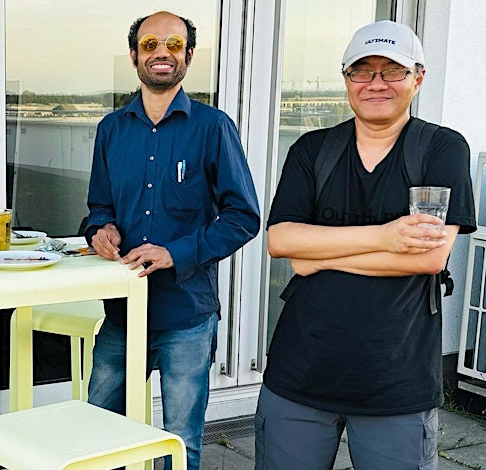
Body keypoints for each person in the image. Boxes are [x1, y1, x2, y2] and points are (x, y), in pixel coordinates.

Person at [257, 20, 476, 469]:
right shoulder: (312, 149)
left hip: (396, 380)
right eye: (362, 71)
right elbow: (280, 240)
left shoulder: (441, 149)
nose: (376, 83)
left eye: (392, 70)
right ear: (346, 79)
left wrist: (316, 257)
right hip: (300, 371)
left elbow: (430, 257)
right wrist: (387, 236)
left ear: (418, 78)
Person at [85, 11, 260, 470]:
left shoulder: (213, 127)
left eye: (174, 44)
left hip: (187, 315)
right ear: (133, 55)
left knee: (181, 443)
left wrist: (174, 253)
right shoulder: (110, 129)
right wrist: (101, 229)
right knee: (95, 433)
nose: (161, 52)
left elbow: (243, 217)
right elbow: (99, 206)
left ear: (189, 55)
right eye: (150, 44)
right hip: (122, 312)